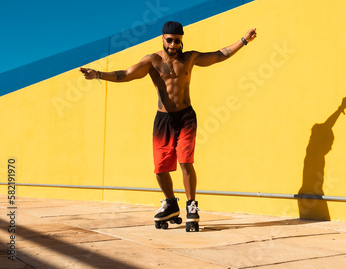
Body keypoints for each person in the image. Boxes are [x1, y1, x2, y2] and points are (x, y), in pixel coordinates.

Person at [80, 21, 257, 231]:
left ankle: (192, 206)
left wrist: (244, 40)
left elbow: (220, 54)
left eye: (177, 41)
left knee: (185, 161)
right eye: (170, 40)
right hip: (163, 120)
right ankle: (171, 203)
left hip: (186, 117)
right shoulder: (152, 61)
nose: (173, 45)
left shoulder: (189, 58)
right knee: (160, 168)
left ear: (182, 40)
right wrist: (99, 74)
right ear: (163, 38)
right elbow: (126, 75)